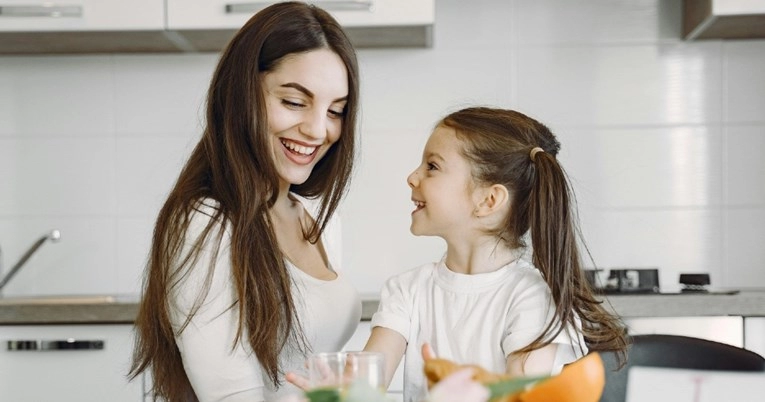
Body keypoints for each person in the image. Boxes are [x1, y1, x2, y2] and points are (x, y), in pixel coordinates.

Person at [129, 2, 362, 401]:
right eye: (293, 102)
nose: (317, 129)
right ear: (241, 95)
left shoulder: (318, 219)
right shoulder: (206, 223)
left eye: (335, 110)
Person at [361, 107, 627, 402]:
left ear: (489, 200)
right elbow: (363, 386)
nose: (412, 177)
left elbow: (519, 397)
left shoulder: (530, 298)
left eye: (432, 166)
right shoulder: (407, 290)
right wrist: (338, 391)